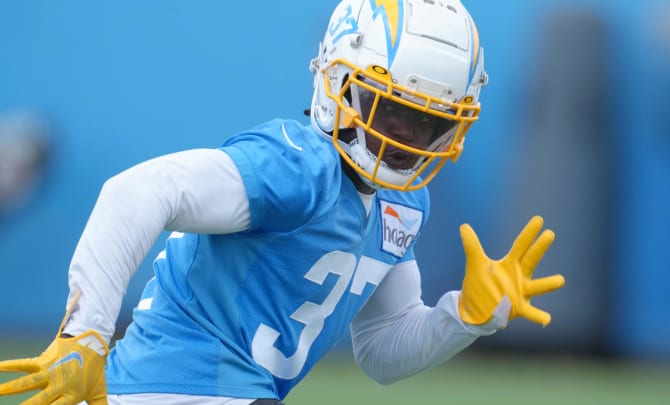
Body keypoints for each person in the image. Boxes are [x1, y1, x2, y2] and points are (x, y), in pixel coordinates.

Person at [0, 0, 565, 404]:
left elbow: (382, 349)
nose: (404, 138)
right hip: (174, 386)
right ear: (337, 82)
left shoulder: (405, 202)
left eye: (427, 122)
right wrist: (86, 335)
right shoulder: (299, 163)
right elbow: (136, 192)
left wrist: (463, 317)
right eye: (389, 110)